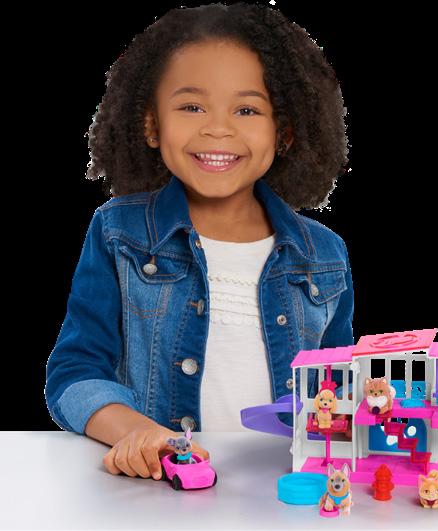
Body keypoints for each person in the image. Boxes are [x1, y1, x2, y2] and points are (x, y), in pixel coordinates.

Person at [45, 2, 353, 482]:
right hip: (159, 491)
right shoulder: (118, 233)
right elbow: (74, 373)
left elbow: (339, 388)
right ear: (152, 124)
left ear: (284, 133)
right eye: (192, 106)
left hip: (285, 493)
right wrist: (137, 432)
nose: (218, 128)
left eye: (247, 109)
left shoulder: (324, 255)